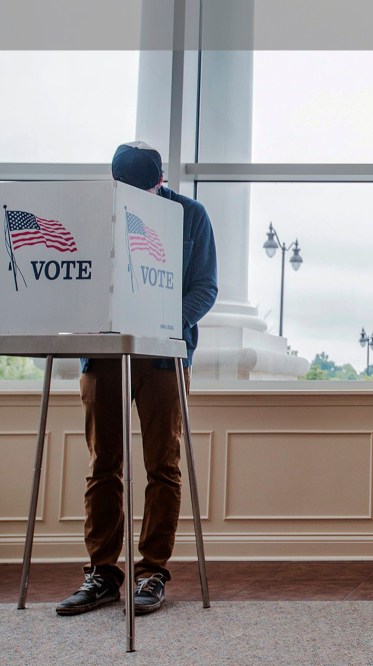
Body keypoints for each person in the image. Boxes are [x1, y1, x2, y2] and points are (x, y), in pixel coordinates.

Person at [57, 142, 218, 616]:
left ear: (160, 182)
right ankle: (103, 573)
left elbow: (205, 286)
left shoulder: (191, 215)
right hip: (103, 353)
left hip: (165, 356)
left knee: (162, 464)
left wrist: (164, 324)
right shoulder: (95, 214)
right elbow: (78, 278)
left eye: (144, 191)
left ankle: (152, 573)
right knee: (103, 464)